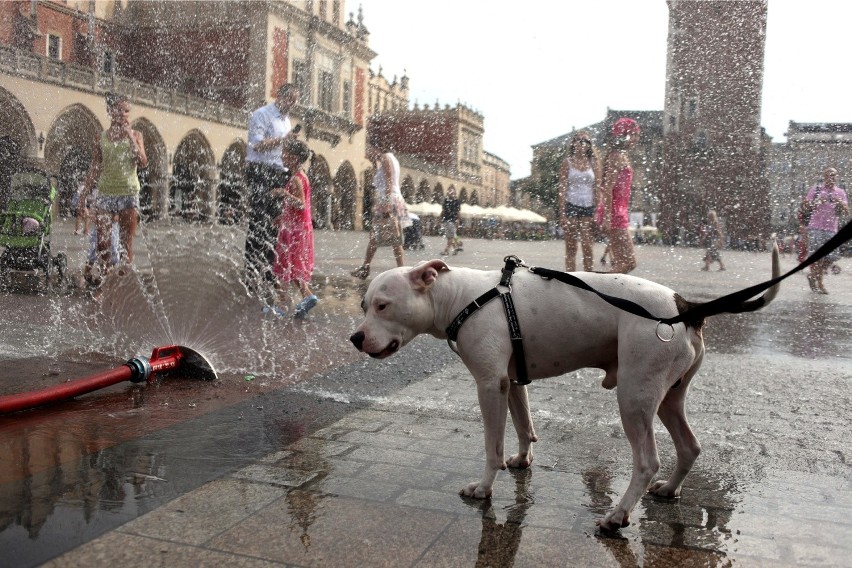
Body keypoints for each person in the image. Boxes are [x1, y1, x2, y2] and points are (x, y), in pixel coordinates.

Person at [79, 92, 147, 284]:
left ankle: (122, 283)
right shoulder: (100, 137)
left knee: (127, 243)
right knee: (102, 243)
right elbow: (94, 168)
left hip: (128, 194)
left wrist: (130, 138)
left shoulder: (136, 135)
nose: (123, 114)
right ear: (110, 111)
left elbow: (142, 162)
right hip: (105, 193)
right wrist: (84, 195)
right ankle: (104, 280)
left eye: (126, 110)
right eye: (119, 109)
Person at [244, 83, 300, 306]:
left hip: (278, 173)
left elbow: (280, 148)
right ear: (280, 96)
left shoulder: (285, 121)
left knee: (275, 224)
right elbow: (256, 146)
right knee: (258, 223)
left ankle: (267, 273)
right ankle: (251, 274)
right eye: (291, 99)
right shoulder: (262, 115)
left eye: (296, 100)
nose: (294, 103)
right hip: (260, 171)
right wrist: (283, 140)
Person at [268, 138, 318, 318]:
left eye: (285, 153)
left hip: (294, 231)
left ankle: (280, 307)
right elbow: (297, 210)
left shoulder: (297, 179)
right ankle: (308, 296)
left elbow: (301, 205)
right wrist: (282, 217)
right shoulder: (301, 176)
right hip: (297, 227)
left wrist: (283, 193)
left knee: (284, 267)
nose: (282, 155)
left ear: (295, 158)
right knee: (293, 268)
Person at [351, 139, 408, 279]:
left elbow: (388, 181)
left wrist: (386, 203)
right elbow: (384, 179)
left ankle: (402, 271)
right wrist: (373, 163)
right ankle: (366, 267)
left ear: (376, 147)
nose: (368, 152)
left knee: (391, 239)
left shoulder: (385, 157)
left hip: (388, 200)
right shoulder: (391, 158)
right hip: (395, 199)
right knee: (379, 237)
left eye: (369, 149)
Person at [597, 117, 640, 274]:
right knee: (627, 262)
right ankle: (602, 291)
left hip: (617, 212)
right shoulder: (616, 156)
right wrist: (608, 217)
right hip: (614, 213)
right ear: (625, 135)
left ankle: (610, 291)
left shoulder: (621, 155)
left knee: (625, 263)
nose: (636, 139)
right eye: (634, 135)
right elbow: (607, 188)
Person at [558, 131, 601, 271]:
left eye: (586, 141)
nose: (582, 143)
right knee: (571, 247)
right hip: (571, 204)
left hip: (588, 206)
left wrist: (598, 212)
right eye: (579, 140)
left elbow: (597, 187)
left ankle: (588, 278)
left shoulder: (594, 163)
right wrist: (562, 214)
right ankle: (571, 278)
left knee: (587, 245)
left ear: (589, 145)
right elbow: (562, 188)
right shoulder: (567, 162)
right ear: (573, 143)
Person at [802, 167, 848, 294]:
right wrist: (816, 201)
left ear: (836, 177)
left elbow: (846, 211)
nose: (831, 178)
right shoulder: (816, 189)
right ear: (824, 176)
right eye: (829, 175)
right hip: (815, 227)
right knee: (817, 257)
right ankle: (820, 283)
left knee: (832, 256)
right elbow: (805, 205)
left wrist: (840, 203)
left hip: (831, 229)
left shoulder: (840, 192)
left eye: (834, 175)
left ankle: (813, 276)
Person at [440, 187, 462, 256]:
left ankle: (446, 251)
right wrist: (440, 219)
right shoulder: (446, 201)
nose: (451, 193)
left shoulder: (456, 201)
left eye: (452, 192)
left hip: (452, 221)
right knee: (450, 236)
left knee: (451, 237)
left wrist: (458, 220)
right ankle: (456, 247)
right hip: (446, 221)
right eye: (450, 192)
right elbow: (443, 211)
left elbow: (458, 212)